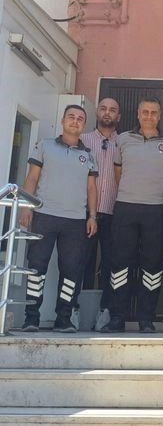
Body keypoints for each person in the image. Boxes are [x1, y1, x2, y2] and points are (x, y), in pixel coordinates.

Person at [101, 97, 163, 333]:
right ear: (137, 114)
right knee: (120, 263)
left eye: (154, 112)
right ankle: (117, 317)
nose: (149, 116)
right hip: (126, 207)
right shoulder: (123, 139)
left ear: (159, 115)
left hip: (157, 209)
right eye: (145, 112)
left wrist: (160, 196)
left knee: (152, 264)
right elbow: (118, 173)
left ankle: (146, 319)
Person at [19, 104, 98, 333]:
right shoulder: (44, 146)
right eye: (71, 117)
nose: (75, 121)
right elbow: (32, 178)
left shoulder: (88, 156)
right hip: (44, 215)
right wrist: (26, 207)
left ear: (84, 125)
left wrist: (92, 216)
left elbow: (92, 189)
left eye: (80, 118)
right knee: (37, 266)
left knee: (71, 270)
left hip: (75, 220)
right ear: (63, 121)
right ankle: (31, 318)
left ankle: (64, 319)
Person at [80, 97, 121, 331]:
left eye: (112, 110)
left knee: (111, 265)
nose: (107, 113)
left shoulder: (124, 143)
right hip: (85, 213)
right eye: (104, 108)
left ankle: (106, 311)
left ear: (119, 116)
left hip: (115, 214)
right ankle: (73, 311)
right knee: (79, 262)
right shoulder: (83, 141)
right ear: (97, 112)